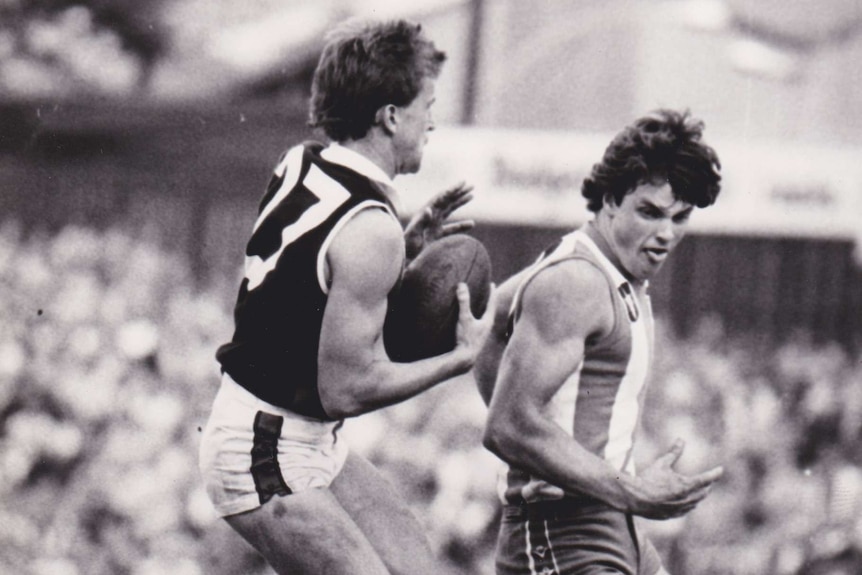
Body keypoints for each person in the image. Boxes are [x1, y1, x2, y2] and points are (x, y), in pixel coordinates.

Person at [198, 19, 496, 575]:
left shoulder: (303, 160)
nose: (432, 120)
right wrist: (457, 359)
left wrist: (406, 247)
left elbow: (306, 282)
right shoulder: (369, 230)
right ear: (389, 115)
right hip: (265, 445)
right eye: (426, 104)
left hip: (303, 438)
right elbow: (346, 389)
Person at [475, 109, 725, 575]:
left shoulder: (605, 270)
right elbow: (505, 425)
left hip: (611, 520)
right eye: (649, 212)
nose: (666, 234)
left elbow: (486, 322)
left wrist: (544, 450)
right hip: (563, 531)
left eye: (680, 217)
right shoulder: (577, 281)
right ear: (610, 199)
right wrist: (624, 487)